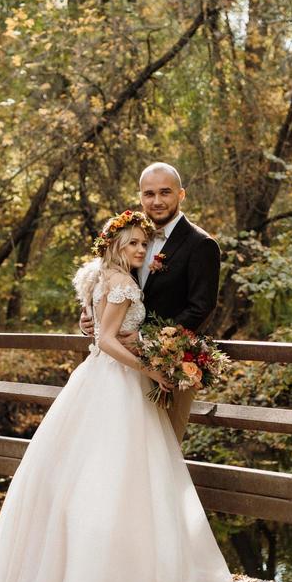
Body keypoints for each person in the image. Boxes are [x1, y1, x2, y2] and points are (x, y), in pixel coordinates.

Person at [0, 210, 232, 582]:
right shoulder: (119, 283)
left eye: (142, 244)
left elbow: (103, 329)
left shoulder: (106, 278)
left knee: (113, 475)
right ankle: (110, 581)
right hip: (118, 381)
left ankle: (126, 573)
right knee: (114, 475)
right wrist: (150, 368)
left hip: (102, 379)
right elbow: (106, 339)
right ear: (114, 245)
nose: (139, 249)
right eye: (132, 244)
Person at [80, 162, 220, 443]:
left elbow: (200, 308)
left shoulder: (200, 244)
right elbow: (112, 286)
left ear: (181, 195)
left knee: (162, 452)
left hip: (170, 365)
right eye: (149, 194)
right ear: (140, 196)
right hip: (122, 371)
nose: (156, 201)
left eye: (165, 192)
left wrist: (147, 339)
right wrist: (92, 319)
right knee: (118, 447)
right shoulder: (133, 239)